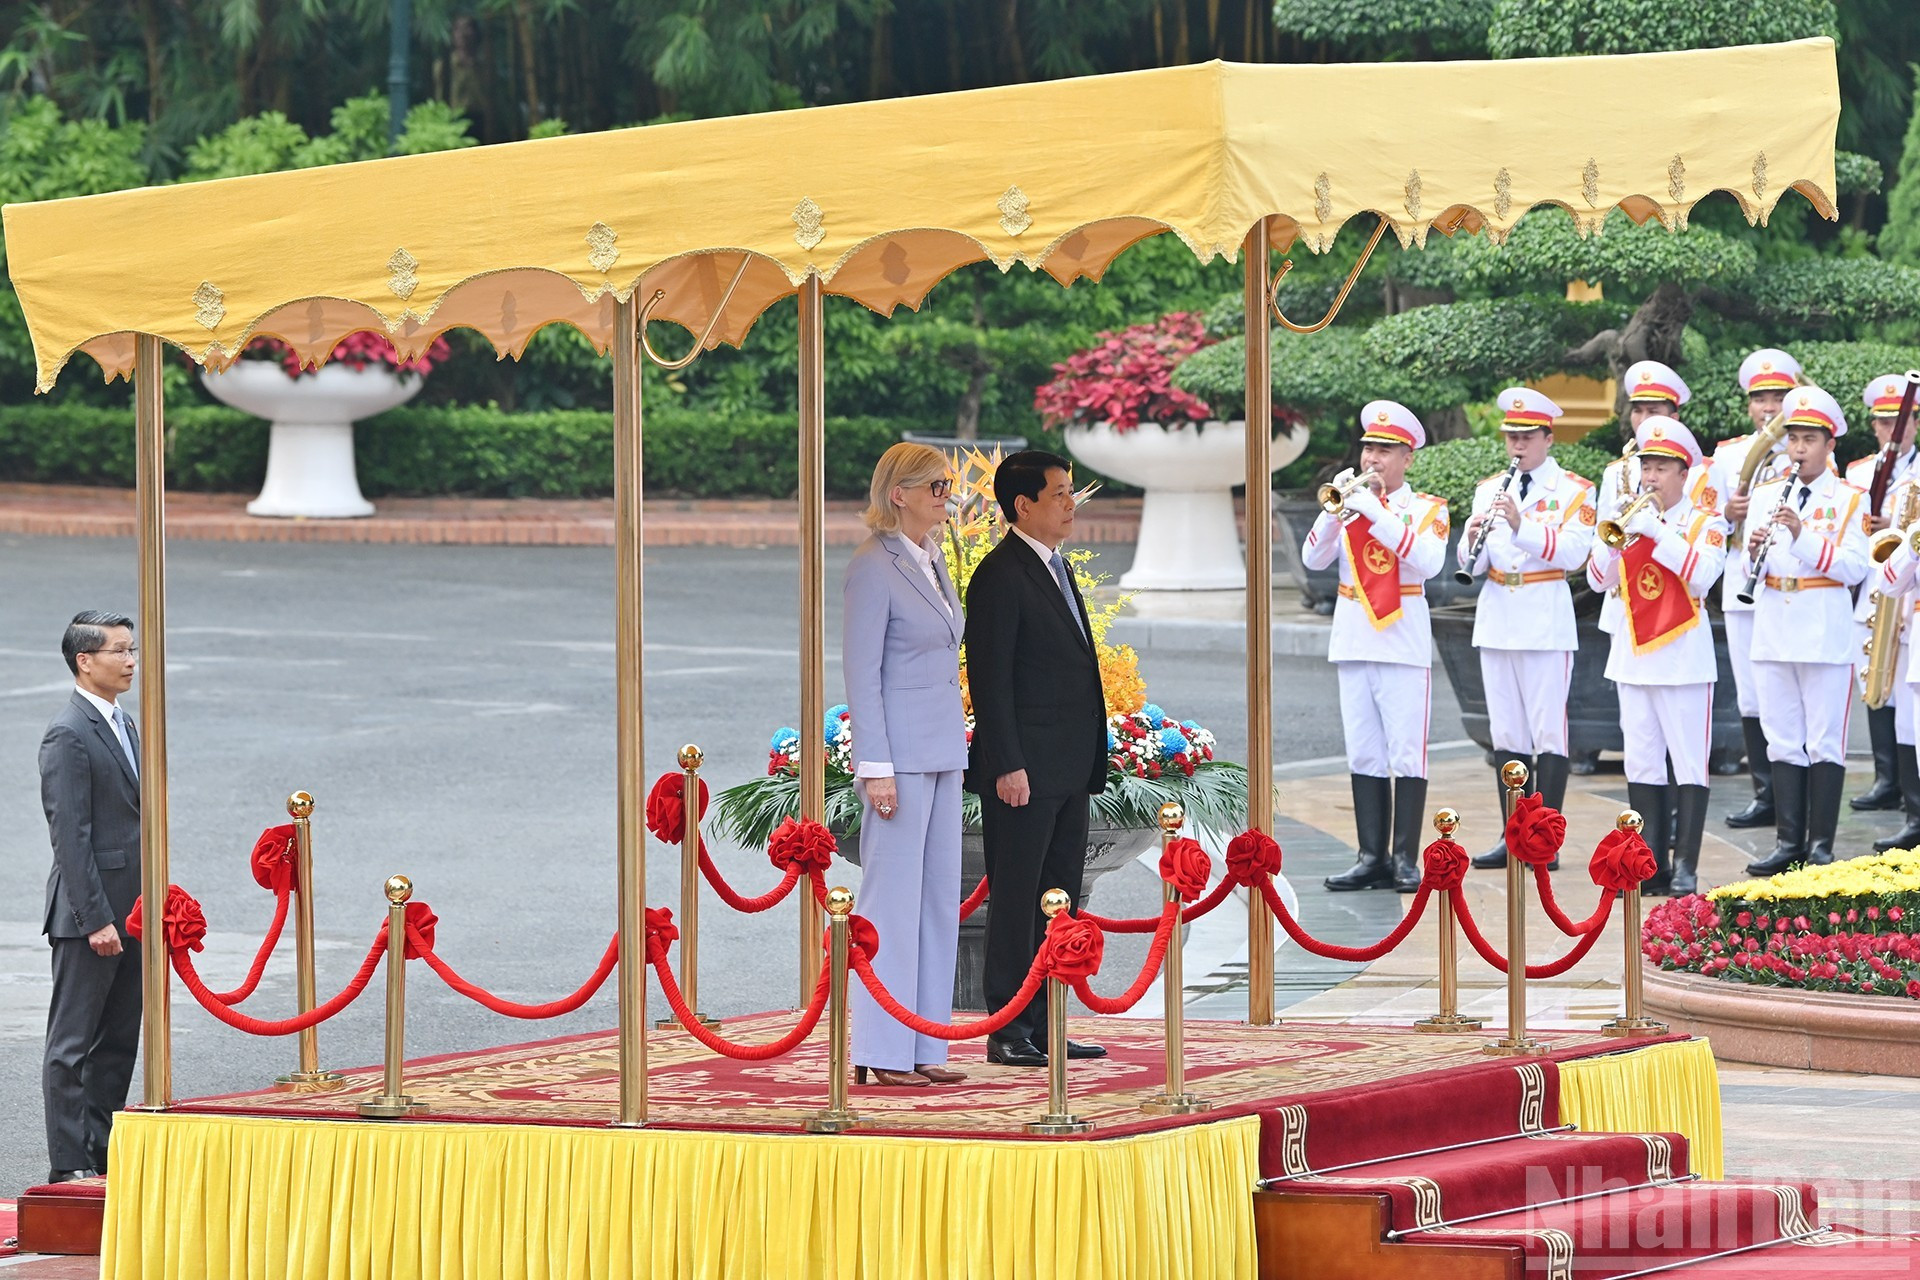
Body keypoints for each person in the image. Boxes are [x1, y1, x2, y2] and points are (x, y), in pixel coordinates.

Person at [963, 450, 1108, 1068]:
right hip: (1025, 769)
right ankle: (1008, 1023)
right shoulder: (1001, 573)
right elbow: (991, 681)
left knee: (1060, 896)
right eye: (1058, 494)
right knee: (1018, 897)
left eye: (1070, 491)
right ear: (1022, 506)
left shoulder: (1056, 567)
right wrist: (1006, 764)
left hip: (1067, 765)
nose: (1071, 503)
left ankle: (1049, 1021)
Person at [842, 443, 970, 1087]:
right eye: (937, 488)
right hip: (900, 757)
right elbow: (862, 675)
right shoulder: (874, 564)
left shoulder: (930, 558)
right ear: (900, 493)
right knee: (891, 902)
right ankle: (881, 1049)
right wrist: (877, 765)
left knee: (937, 902)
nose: (948, 498)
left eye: (948, 488)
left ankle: (926, 1046)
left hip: (945, 750)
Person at [1304, 401, 1449, 894]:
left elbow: (1428, 562)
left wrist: (1378, 514)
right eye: (1369, 447)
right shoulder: (1349, 503)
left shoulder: (1427, 508)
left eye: (1385, 450)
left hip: (1402, 639)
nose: (1373, 459)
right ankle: (1371, 856)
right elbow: (1313, 557)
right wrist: (1333, 514)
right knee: (1364, 751)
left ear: (1407, 457)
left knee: (1407, 753)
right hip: (1354, 637)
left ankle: (1406, 857)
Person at [1584, 419, 1727, 896]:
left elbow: (1705, 575)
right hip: (1632, 654)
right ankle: (1649, 864)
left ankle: (1685, 865)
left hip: (1683, 657)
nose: (1651, 477)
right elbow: (1597, 581)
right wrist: (1615, 539)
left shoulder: (1705, 523)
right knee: (1642, 762)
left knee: (1688, 762)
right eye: (1646, 467)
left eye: (1662, 468)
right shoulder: (1628, 517)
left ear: (1684, 474)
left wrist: (1658, 533)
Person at [1458, 387, 1596, 871]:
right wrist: (1470, 541)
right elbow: (1470, 564)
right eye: (1511, 436)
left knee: (1547, 732)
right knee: (1507, 734)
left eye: (1526, 436)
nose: (1517, 445)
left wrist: (1521, 527)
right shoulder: (1489, 487)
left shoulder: (1574, 489)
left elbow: (1577, 554)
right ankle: (1512, 833)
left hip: (1543, 614)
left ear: (1547, 437)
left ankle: (1545, 840)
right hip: (1498, 614)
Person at [1743, 386, 1871, 876]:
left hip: (1822, 627)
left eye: (1809, 439)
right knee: (1781, 737)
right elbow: (1748, 564)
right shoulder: (1766, 495)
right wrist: (1756, 550)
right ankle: (1787, 840)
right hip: (1775, 622)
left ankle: (1820, 844)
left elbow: (1854, 568)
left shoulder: (1849, 500)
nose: (1798, 448)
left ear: (1830, 444)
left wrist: (1801, 536)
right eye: (1793, 438)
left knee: (1823, 739)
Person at [40, 610, 144, 1183]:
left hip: (131, 913)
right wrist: (96, 918)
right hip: (92, 917)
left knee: (118, 1041)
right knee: (73, 1046)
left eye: (133, 650)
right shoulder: (69, 732)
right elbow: (70, 836)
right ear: (86, 660)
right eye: (120, 651)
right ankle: (70, 1167)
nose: (131, 661)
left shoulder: (123, 723)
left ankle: (103, 1156)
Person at [1709, 349, 1803, 829]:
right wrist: (1729, 515)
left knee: (1788, 692)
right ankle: (1764, 793)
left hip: (1793, 585)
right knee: (1749, 695)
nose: (1768, 408)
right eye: (1760, 398)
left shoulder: (1806, 449)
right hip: (1741, 579)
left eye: (1778, 397)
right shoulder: (1728, 455)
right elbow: (1705, 522)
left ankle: (1795, 795)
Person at [1844, 374, 1920, 831]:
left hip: (1909, 594)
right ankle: (1886, 776)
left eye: (1903, 421)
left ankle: (1911, 799)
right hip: (1874, 589)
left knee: (1910, 702)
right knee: (1876, 684)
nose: (1894, 430)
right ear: (1873, 426)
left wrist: (1896, 523)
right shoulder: (1858, 472)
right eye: (1884, 422)